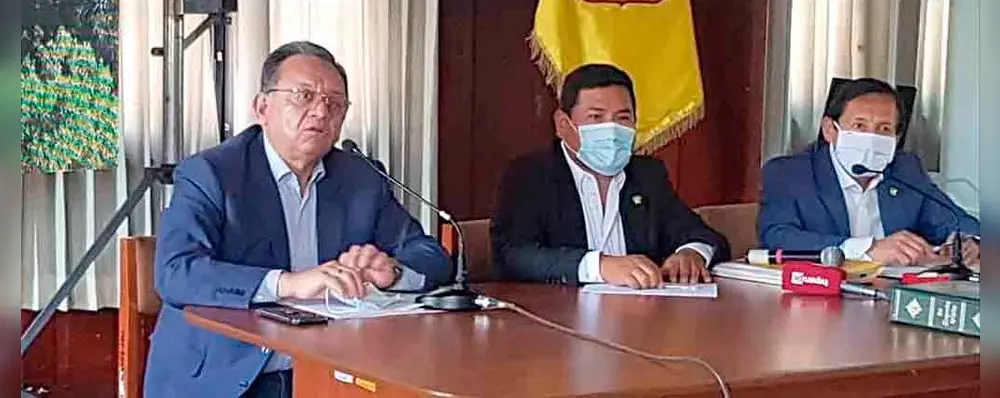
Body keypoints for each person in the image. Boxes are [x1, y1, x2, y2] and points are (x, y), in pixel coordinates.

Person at [144, 41, 452, 398]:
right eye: (304, 96)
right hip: (224, 380)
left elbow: (431, 256)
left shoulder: (360, 178)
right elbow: (176, 273)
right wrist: (288, 284)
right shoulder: (211, 173)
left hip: (329, 376)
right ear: (263, 107)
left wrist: (392, 271)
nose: (321, 112)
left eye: (335, 104)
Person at [491, 63, 730, 288]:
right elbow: (513, 255)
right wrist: (600, 266)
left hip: (642, 317)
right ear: (563, 124)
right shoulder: (531, 176)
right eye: (596, 117)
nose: (612, 128)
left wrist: (691, 254)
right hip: (560, 318)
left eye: (623, 118)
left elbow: (702, 235)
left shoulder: (647, 175)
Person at [758, 78, 980, 266]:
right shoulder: (789, 173)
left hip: (892, 294)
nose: (872, 138)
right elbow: (777, 237)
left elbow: (955, 220)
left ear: (896, 137)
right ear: (829, 129)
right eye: (859, 126)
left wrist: (968, 242)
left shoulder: (905, 169)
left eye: (884, 129)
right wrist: (867, 249)